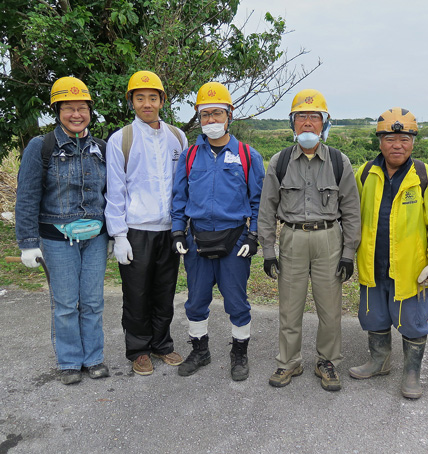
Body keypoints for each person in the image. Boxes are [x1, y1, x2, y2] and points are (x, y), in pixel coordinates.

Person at [258, 89, 361, 391]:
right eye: (300, 116)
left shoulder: (340, 162)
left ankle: (326, 361)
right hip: (292, 238)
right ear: (293, 123)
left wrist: (348, 253)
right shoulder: (279, 162)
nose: (307, 123)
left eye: (313, 116)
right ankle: (288, 362)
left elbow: (352, 211)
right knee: (290, 307)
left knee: (329, 309)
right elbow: (266, 209)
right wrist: (267, 250)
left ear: (324, 123)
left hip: (329, 240)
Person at [349, 108, 428, 400]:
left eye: (404, 138)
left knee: (413, 321)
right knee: (373, 317)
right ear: (379, 141)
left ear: (413, 141)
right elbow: (353, 216)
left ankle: (411, 372)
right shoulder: (366, 173)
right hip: (372, 264)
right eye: (390, 138)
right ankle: (379, 361)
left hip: (410, 269)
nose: (398, 145)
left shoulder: (424, 176)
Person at [15, 76, 110, 385]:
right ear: (57, 110)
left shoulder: (101, 148)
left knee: (93, 301)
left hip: (95, 238)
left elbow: (110, 195)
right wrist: (28, 242)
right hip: (57, 239)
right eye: (68, 108)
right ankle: (70, 360)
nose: (76, 114)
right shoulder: (41, 147)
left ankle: (93, 357)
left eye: (81, 107)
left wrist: (113, 234)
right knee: (66, 304)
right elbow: (27, 195)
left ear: (90, 110)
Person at [171, 81, 264, 382]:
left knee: (236, 301)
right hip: (196, 238)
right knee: (196, 300)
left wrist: (254, 236)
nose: (211, 120)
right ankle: (200, 350)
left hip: (234, 239)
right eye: (205, 114)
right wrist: (176, 232)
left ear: (230, 115)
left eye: (217, 113)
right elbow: (179, 197)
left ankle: (239, 352)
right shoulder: (190, 156)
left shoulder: (249, 156)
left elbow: (260, 201)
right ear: (199, 118)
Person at [105, 70, 187, 376]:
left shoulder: (178, 137)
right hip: (137, 231)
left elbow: (182, 186)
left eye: (153, 97)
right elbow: (116, 191)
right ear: (131, 101)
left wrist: (183, 225)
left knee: (165, 291)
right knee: (136, 293)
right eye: (140, 98)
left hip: (169, 230)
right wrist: (119, 235)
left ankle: (161, 344)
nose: (147, 104)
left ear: (162, 100)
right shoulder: (121, 139)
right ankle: (138, 349)